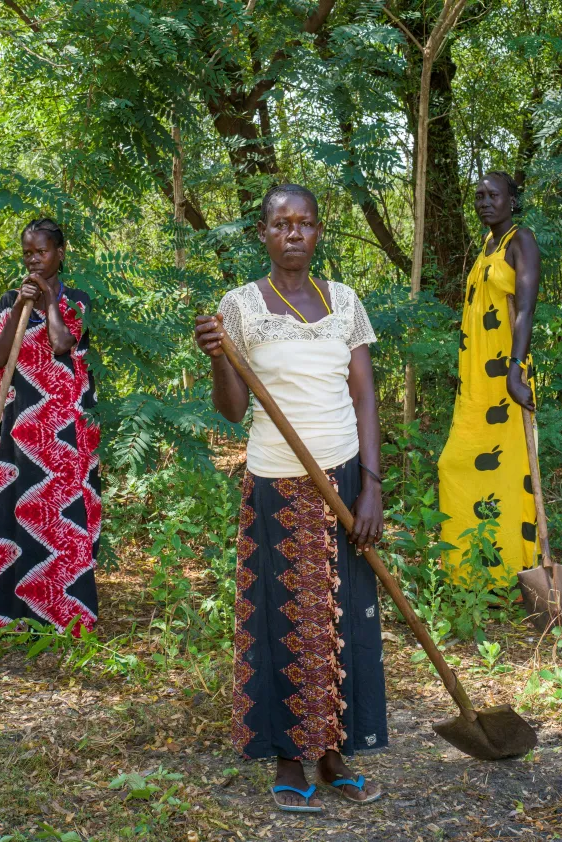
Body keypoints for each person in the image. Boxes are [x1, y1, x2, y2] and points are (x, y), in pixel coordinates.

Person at [194, 185, 387, 813]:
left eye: (304, 223)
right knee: (285, 621)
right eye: (282, 224)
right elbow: (232, 407)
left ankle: (331, 752)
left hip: (344, 478)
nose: (294, 234)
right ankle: (287, 755)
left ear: (319, 232)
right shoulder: (241, 307)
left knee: (340, 617)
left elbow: (364, 396)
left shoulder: (346, 302)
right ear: (264, 234)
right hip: (278, 480)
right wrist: (221, 357)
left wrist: (372, 489)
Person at [0, 219, 102, 636]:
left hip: (65, 427)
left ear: (59, 254)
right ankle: (15, 612)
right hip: (21, 425)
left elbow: (63, 343)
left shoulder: (77, 299)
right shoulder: (9, 300)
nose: (33, 259)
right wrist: (16, 309)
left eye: (41, 251)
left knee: (65, 513)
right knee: (19, 511)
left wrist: (48, 300)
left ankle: (68, 614)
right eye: (27, 252)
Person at [437, 172, 540, 586]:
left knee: (510, 476)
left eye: (493, 195)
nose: (483, 202)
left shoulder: (522, 241)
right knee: (456, 465)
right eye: (478, 195)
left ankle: (515, 572)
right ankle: (472, 576)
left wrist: (516, 373)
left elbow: (526, 311)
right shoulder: (486, 246)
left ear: (512, 200)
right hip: (476, 380)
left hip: (505, 377)